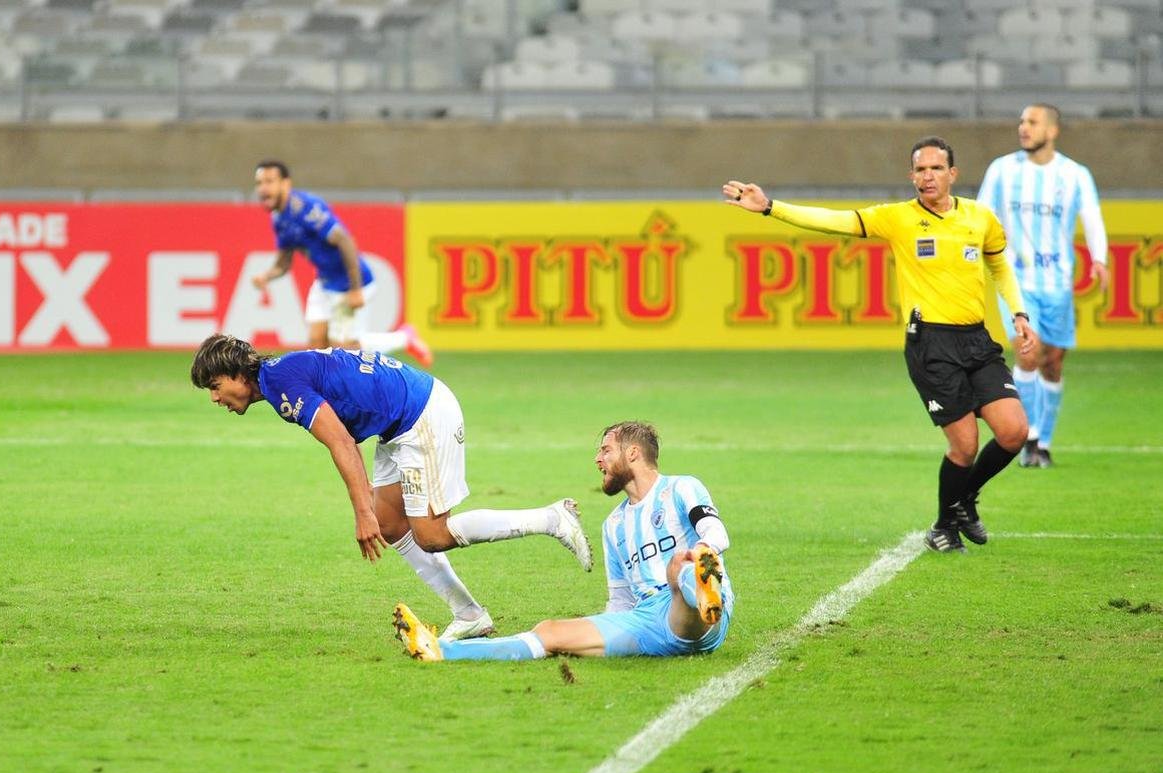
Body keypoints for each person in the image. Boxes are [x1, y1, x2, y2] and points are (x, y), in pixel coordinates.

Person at [723, 136, 1040, 553]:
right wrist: (769, 208)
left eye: (936, 168)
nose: (927, 176)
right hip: (931, 343)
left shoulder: (980, 218)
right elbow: (833, 221)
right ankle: (945, 525)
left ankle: (962, 501)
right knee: (964, 445)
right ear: (912, 176)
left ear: (952, 174)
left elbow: (999, 264)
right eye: (920, 170)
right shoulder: (898, 218)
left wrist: (1018, 313)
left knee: (1015, 431)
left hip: (976, 339)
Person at [189, 333, 592, 641]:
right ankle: (470, 615)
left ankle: (551, 518)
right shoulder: (280, 376)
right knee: (390, 523)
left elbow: (342, 443)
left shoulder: (281, 385)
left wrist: (361, 513)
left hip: (421, 415)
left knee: (431, 534)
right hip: (397, 424)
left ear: (236, 373)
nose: (214, 398)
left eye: (215, 386)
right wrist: (370, 510)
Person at [392, 421, 733, 662]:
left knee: (681, 566)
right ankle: (439, 650)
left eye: (605, 450)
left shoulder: (681, 488)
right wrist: (600, 633)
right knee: (550, 632)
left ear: (632, 453)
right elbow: (620, 605)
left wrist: (704, 551)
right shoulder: (614, 525)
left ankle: (705, 590)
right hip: (648, 623)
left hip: (694, 614)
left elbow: (716, 533)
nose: (598, 460)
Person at [977, 104, 1109, 469]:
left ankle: (1043, 442)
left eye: (1032, 122)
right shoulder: (1002, 170)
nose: (1023, 127)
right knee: (1027, 352)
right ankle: (1029, 436)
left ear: (1052, 130)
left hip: (1057, 284)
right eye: (1020, 121)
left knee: (1052, 362)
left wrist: (1100, 259)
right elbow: (980, 216)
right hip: (1016, 282)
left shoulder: (1075, 174)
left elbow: (1093, 218)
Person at [250, 159, 433, 365]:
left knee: (343, 351)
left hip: (350, 282)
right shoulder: (279, 218)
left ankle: (404, 337)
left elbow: (345, 240)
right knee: (317, 346)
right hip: (325, 281)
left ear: (285, 183)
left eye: (269, 181)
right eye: (259, 183)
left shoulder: (306, 209)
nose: (263, 188)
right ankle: (322, 395)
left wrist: (355, 289)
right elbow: (284, 263)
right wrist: (266, 276)